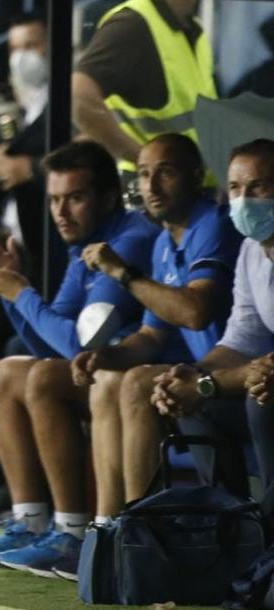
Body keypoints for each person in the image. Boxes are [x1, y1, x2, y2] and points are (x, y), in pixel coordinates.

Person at [0, 140, 159, 580]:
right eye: (53, 199)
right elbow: (49, 341)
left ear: (108, 198)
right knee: (7, 373)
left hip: (140, 374)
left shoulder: (129, 240)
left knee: (45, 379)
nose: (61, 212)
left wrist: (21, 293)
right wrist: (10, 290)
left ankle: (72, 531)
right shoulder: (80, 248)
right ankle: (30, 522)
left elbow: (76, 347)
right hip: (96, 374)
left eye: (75, 197)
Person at [71, 133, 241, 519]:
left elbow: (195, 312)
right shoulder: (164, 242)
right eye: (144, 175)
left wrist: (123, 273)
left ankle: (139, 529)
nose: (151, 186)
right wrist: (103, 356)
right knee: (107, 379)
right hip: (205, 372)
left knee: (136, 382)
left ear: (196, 177)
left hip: (235, 374)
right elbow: (150, 336)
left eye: (165, 173)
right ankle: (106, 527)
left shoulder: (215, 225)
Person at [151, 139, 274, 497]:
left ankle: (269, 534)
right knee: (194, 404)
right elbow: (240, 340)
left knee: (262, 396)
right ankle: (228, 529)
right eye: (235, 188)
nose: (244, 200)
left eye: (259, 187)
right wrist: (192, 376)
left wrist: (207, 382)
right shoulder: (252, 250)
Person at [71, 0, 216, 202]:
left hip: (194, 192)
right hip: (157, 198)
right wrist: (146, 164)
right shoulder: (132, 25)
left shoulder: (193, 26)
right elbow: (79, 99)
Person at [0, 11, 49, 264]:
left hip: (45, 242)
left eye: (31, 46)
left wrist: (31, 169)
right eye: (14, 49)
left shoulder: (70, 101)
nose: (21, 57)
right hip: (14, 237)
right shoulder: (11, 102)